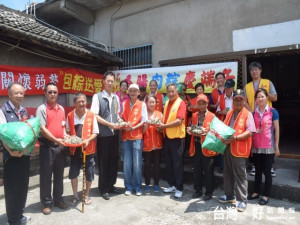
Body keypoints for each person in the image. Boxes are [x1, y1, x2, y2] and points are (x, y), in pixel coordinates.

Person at [219, 89, 256, 212]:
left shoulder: (248, 114)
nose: (238, 102)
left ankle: (242, 200)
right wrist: (221, 137)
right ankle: (229, 195)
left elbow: (250, 132)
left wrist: (234, 138)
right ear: (233, 101)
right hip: (228, 147)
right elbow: (223, 127)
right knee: (227, 172)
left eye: (241, 99)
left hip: (239, 148)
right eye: (236, 99)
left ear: (244, 101)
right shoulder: (230, 113)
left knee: (240, 174)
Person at [0, 82, 31, 224]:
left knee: (23, 187)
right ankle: (12, 219)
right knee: (12, 189)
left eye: (21, 93)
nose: (19, 95)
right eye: (16, 93)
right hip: (11, 157)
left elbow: (27, 132)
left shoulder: (23, 111)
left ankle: (20, 215)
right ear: (9, 94)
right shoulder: (3, 111)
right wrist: (11, 151)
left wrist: (25, 149)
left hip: (24, 155)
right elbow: (2, 134)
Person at [36, 82, 68, 215]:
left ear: (58, 93)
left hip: (60, 147)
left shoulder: (61, 108)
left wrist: (66, 136)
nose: (52, 94)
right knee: (46, 176)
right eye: (50, 92)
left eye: (55, 92)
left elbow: (63, 127)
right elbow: (43, 129)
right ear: (45, 93)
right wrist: (56, 140)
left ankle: (58, 199)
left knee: (59, 175)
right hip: (47, 147)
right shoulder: (41, 109)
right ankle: (47, 203)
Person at [90, 71, 121, 200]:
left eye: (111, 81)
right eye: (107, 80)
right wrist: (109, 124)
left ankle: (111, 185)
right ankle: (103, 188)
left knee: (114, 160)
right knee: (103, 162)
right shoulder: (97, 97)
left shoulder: (116, 97)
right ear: (103, 81)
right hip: (103, 135)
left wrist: (120, 122)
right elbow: (94, 115)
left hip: (115, 134)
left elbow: (117, 114)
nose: (110, 83)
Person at [244, 62, 278, 177]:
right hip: (254, 116)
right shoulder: (247, 86)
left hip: (267, 115)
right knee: (254, 138)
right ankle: (254, 164)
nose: (254, 72)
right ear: (249, 73)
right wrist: (251, 112)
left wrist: (264, 93)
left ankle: (270, 165)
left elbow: (275, 97)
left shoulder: (267, 83)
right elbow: (244, 101)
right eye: (252, 70)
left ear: (260, 70)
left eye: (256, 69)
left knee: (269, 138)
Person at [247, 88, 280, 205]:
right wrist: (250, 147)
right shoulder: (253, 113)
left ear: (267, 98)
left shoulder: (273, 112)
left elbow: (276, 130)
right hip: (256, 146)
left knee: (267, 171)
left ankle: (266, 195)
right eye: (258, 97)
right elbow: (251, 130)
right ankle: (256, 192)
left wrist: (276, 146)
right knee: (257, 171)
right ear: (255, 100)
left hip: (268, 146)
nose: (260, 99)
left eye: (262, 96)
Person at [66, 93, 98, 205]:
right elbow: (68, 132)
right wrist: (70, 139)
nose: (81, 103)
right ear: (74, 103)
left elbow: (95, 132)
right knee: (73, 174)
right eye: (79, 101)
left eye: (83, 101)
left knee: (89, 174)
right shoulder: (70, 115)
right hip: (74, 150)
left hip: (88, 149)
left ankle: (87, 195)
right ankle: (75, 196)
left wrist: (88, 140)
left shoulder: (91, 115)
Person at [157, 83, 186, 198]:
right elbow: (165, 119)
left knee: (177, 164)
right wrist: (160, 126)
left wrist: (164, 126)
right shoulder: (167, 102)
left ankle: (179, 188)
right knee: (169, 163)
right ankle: (172, 184)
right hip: (167, 137)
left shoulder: (181, 103)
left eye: (172, 91)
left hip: (177, 138)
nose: (170, 93)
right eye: (168, 91)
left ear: (177, 91)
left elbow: (179, 121)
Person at [188, 94, 217, 200]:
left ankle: (209, 192)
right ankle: (198, 190)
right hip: (196, 145)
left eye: (203, 103)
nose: (201, 106)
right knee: (197, 169)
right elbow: (192, 127)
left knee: (208, 170)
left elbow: (215, 132)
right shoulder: (194, 115)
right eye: (199, 103)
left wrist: (207, 132)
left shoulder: (212, 116)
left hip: (207, 145)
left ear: (207, 104)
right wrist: (190, 131)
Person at [122, 83, 148, 196]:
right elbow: (121, 117)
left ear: (138, 93)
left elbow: (144, 121)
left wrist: (134, 128)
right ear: (128, 92)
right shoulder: (124, 104)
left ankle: (137, 187)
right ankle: (128, 186)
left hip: (137, 137)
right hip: (126, 136)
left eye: (135, 91)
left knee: (137, 163)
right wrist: (123, 124)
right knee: (127, 163)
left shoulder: (142, 104)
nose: (133, 93)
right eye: (131, 91)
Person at [142, 94, 163, 192]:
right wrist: (145, 126)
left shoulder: (159, 114)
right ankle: (146, 183)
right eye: (149, 102)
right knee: (147, 164)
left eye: (153, 102)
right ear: (146, 103)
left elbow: (163, 130)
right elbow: (140, 132)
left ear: (156, 103)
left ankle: (156, 183)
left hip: (157, 143)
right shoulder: (143, 114)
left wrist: (159, 128)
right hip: (146, 142)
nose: (151, 104)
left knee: (157, 164)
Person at [215, 79, 235, 173]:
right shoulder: (221, 97)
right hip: (224, 123)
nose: (226, 90)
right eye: (225, 88)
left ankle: (232, 167)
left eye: (228, 88)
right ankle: (223, 167)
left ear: (232, 88)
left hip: (235, 124)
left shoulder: (237, 97)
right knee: (223, 146)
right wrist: (223, 112)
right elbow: (217, 110)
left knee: (233, 145)